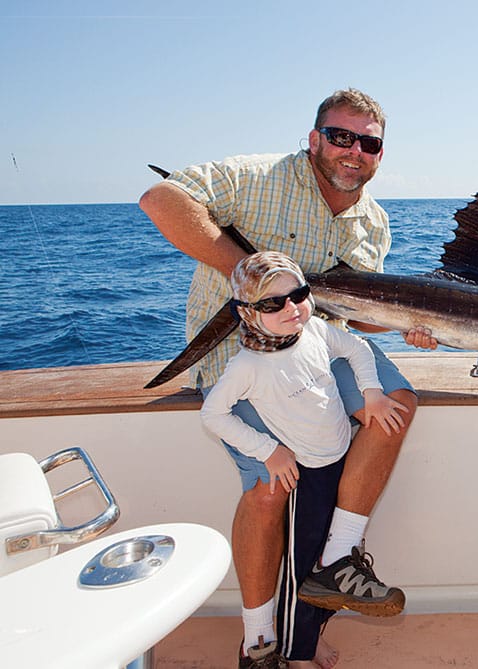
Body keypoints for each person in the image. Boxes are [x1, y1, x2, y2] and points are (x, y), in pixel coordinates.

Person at [140, 88, 436, 669]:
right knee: (272, 488)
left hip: (319, 351)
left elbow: (353, 314)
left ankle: (338, 562)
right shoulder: (256, 176)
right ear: (315, 138)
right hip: (240, 355)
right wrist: (255, 279)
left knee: (396, 401)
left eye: (369, 143)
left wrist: (410, 326)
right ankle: (258, 642)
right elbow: (160, 199)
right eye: (341, 136)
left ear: (380, 154)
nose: (354, 151)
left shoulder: (372, 221)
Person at [201, 251, 409, 668]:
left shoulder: (314, 329)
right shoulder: (248, 366)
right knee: (303, 572)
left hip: (340, 461)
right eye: (271, 304)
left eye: (298, 294)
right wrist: (268, 450)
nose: (290, 308)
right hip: (307, 478)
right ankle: (297, 652)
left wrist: (371, 391)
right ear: (246, 312)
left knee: (326, 569)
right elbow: (214, 415)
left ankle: (313, 634)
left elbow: (358, 348)